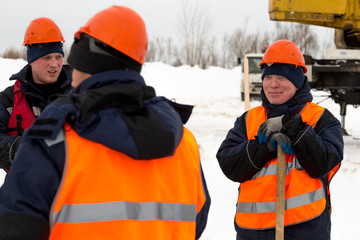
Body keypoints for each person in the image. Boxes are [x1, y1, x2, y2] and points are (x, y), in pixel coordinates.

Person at [0, 5, 210, 240]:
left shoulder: (53, 137)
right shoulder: (184, 141)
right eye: (48, 57)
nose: (59, 66)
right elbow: (196, 220)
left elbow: (15, 227)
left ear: (86, 63)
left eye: (63, 58)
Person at [216, 40, 343, 240]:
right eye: (269, 77)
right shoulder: (249, 120)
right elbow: (229, 164)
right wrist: (263, 146)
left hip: (305, 230)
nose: (273, 84)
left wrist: (297, 130)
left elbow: (325, 162)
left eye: (281, 77)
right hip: (252, 231)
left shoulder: (320, 119)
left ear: (298, 81)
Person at [0, 17, 72, 172]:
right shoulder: (8, 100)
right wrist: (23, 148)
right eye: (46, 58)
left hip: (72, 189)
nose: (54, 64)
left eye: (58, 57)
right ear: (31, 60)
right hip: (23, 189)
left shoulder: (80, 93)